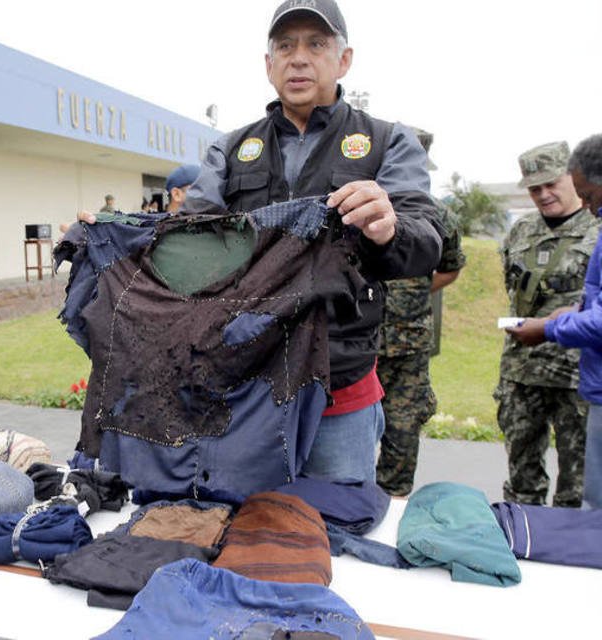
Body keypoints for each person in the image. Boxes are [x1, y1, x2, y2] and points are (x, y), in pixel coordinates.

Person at [181, 0, 443, 482]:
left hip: (340, 394)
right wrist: (120, 236)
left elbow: (429, 238)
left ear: (344, 60)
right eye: (285, 46)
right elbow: (190, 241)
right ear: (268, 64)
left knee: (338, 532)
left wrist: (391, 227)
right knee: (248, 528)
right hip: (245, 390)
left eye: (316, 44)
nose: (298, 58)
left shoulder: (387, 141)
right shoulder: (230, 149)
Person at [496, 141, 598, 507]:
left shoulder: (596, 228)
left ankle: (570, 554)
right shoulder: (521, 231)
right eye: (535, 188)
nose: (544, 194)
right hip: (522, 370)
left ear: (572, 177)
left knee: (578, 484)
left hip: (574, 374)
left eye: (551, 184)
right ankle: (524, 542)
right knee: (521, 480)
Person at [376, 128, 466, 496]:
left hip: (408, 346)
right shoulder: (362, 204)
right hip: (358, 345)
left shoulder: (439, 215)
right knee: (346, 432)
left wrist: (413, 289)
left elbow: (451, 266)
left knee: (403, 428)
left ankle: (393, 501)